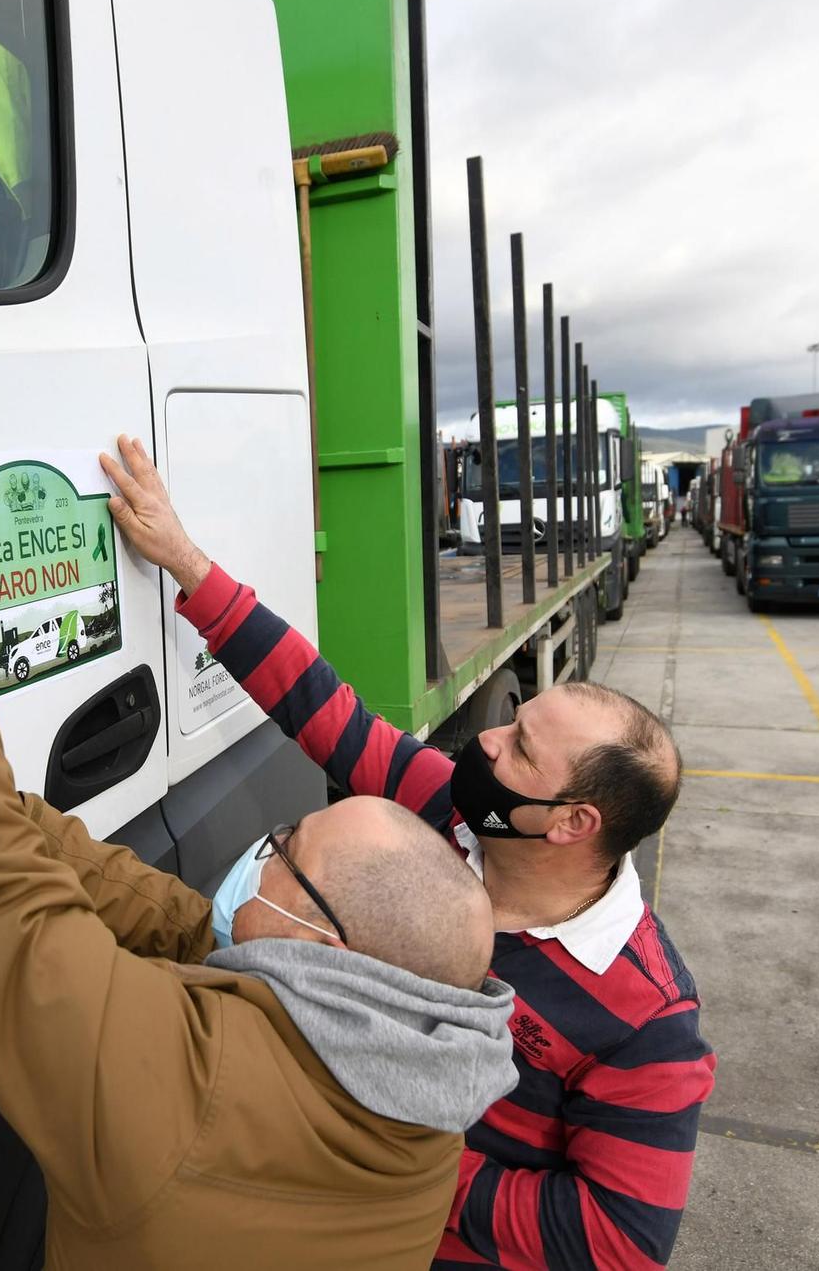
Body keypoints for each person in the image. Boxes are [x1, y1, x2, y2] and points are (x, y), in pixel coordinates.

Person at [0, 402, 520, 1271]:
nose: (264, 848)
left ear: (325, 946)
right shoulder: (424, 1099)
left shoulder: (171, 1099)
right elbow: (199, 933)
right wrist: (24, 823)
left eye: (287, 845)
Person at [101, 434, 716, 1271]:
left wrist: (391, 1164)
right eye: (514, 717)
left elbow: (617, 1243)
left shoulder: (647, 1017)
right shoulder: (454, 811)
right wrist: (185, 560)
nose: (488, 737)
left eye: (521, 750)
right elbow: (322, 707)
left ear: (572, 823)